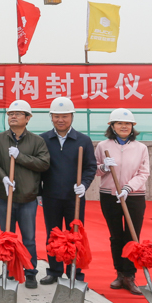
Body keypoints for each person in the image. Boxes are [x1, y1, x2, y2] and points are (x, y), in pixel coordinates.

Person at [0, 99, 50, 289]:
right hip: (4, 196)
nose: (13, 116)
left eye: (18, 114)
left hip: (27, 197)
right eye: (10, 114)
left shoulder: (37, 141)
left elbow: (44, 164)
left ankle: (30, 272)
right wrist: (3, 178)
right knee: (7, 236)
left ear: (28, 118)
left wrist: (20, 157)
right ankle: (8, 269)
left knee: (28, 238)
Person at [39, 97, 97, 285]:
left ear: (72, 117)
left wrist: (84, 185)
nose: (60, 120)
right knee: (53, 234)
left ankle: (75, 273)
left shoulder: (83, 140)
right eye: (56, 116)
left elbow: (90, 167)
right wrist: (39, 192)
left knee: (75, 235)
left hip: (75, 197)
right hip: (51, 196)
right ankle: (54, 271)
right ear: (51, 117)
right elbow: (38, 167)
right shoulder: (43, 140)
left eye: (64, 116)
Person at [95, 108, 150, 295]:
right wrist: (104, 166)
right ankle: (119, 273)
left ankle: (129, 275)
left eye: (127, 123)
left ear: (132, 126)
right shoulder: (103, 146)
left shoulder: (141, 148)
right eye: (119, 123)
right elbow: (95, 170)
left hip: (134, 196)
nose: (124, 126)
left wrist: (128, 188)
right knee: (116, 236)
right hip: (109, 195)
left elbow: (144, 173)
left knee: (132, 236)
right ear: (112, 126)